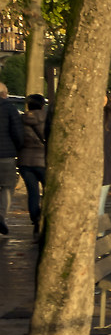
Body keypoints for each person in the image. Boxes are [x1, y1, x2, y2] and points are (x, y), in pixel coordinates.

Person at [10, 93, 46, 234]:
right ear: (42, 105)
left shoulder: (21, 119)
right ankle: (44, 218)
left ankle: (35, 219)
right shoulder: (47, 119)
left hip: (25, 161)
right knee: (48, 191)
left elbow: (17, 139)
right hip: (43, 160)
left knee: (33, 193)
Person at [0, 80, 18, 237]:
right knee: (7, 187)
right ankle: (1, 216)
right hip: (6, 156)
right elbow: (17, 132)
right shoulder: (10, 108)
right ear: (4, 94)